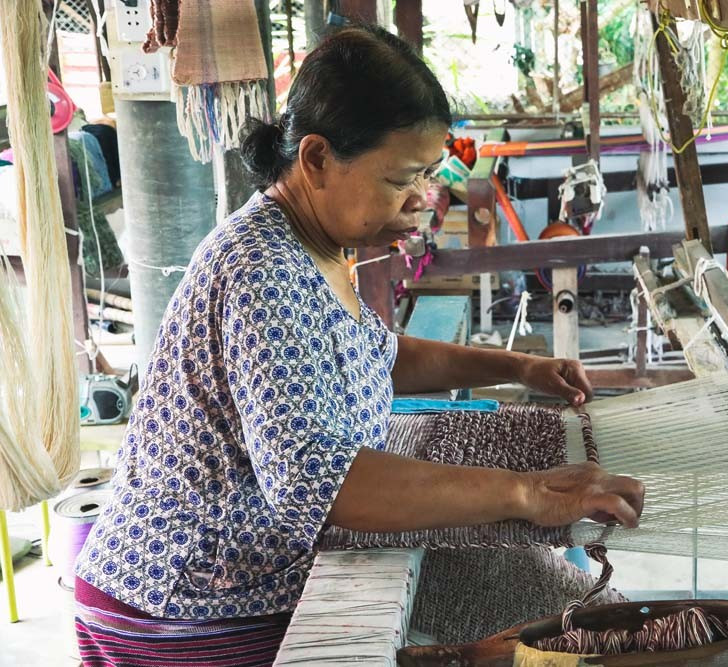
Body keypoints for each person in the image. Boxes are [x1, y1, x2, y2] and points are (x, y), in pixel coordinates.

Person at [74, 25, 644, 666]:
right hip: (187, 602)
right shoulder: (261, 270)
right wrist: (526, 492)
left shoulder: (313, 249)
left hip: (238, 577)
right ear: (316, 158)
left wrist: (518, 367)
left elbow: (380, 356)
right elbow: (324, 485)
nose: (424, 198)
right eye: (402, 177)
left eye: (429, 175)